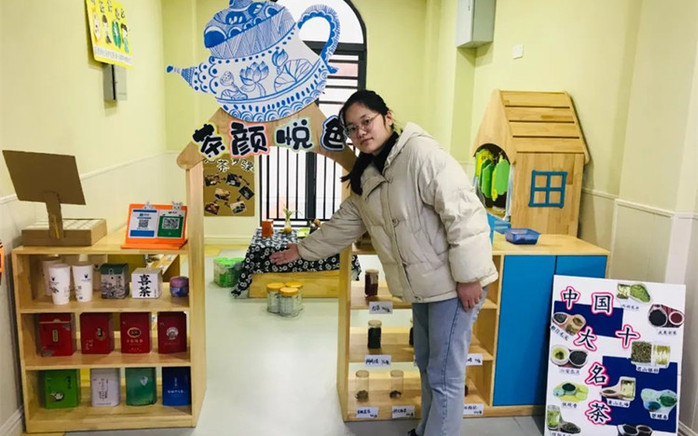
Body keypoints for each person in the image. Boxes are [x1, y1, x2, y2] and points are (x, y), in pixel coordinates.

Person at [270, 90, 498, 436]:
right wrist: (301, 250)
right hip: (425, 288)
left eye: (367, 121)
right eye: (352, 128)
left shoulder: (420, 154)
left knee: (444, 375)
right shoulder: (369, 172)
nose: (360, 132)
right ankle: (426, 429)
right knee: (427, 365)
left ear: (387, 117)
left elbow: (464, 214)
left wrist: (470, 276)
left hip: (453, 286)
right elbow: (345, 224)